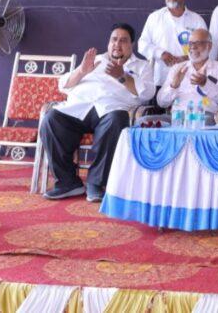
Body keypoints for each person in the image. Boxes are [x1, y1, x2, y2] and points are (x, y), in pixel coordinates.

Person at [40, 23, 154, 202]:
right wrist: (81, 71)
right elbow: (63, 85)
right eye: (114, 39)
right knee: (51, 119)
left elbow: (147, 94)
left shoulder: (142, 66)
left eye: (123, 40)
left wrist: (122, 76)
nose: (117, 44)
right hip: (79, 108)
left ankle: (96, 183)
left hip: (110, 110)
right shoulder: (95, 60)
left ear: (132, 44)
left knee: (117, 119)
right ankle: (68, 182)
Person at [137, 0, 207, 87]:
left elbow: (206, 48)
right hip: (160, 79)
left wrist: (189, 57)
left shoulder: (197, 20)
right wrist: (161, 54)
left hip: (189, 80)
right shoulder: (155, 17)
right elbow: (142, 44)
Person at [156, 28, 218, 115]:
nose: (193, 47)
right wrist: (174, 85)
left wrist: (206, 84)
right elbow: (161, 103)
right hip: (178, 116)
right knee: (145, 120)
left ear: (209, 46)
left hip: (206, 117)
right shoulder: (177, 68)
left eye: (198, 43)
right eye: (190, 43)